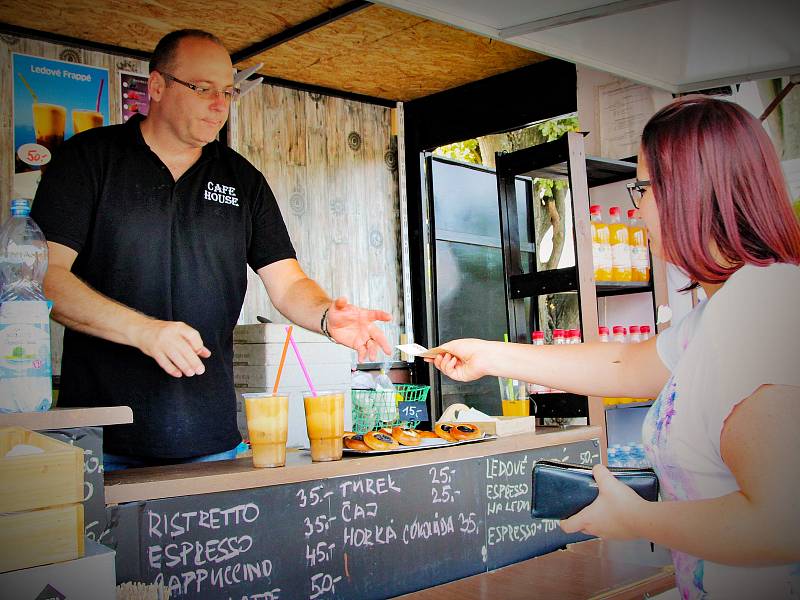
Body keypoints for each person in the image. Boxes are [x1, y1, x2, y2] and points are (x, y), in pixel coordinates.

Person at [429, 96, 800, 598]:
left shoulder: (756, 308)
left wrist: (640, 519)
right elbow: (626, 363)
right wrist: (490, 355)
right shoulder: (723, 312)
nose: (639, 207)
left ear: (688, 191)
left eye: (643, 188)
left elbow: (781, 523)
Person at [30, 29, 393, 470]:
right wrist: (143, 331)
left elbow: (287, 281)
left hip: (213, 440)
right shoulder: (89, 158)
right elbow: (42, 276)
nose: (220, 104)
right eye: (203, 89)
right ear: (158, 86)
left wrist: (324, 315)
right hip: (100, 441)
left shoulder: (243, 179)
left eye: (228, 92)